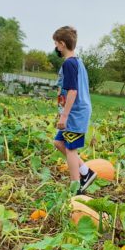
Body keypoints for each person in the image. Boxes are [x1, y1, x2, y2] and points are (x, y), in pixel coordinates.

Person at [52, 26, 95, 193]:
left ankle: (76, 188)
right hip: (76, 111)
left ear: (62, 44)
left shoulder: (70, 63)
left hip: (75, 113)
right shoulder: (77, 62)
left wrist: (64, 115)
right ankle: (86, 172)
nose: (56, 47)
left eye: (56, 44)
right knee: (58, 142)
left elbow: (72, 91)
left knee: (71, 149)